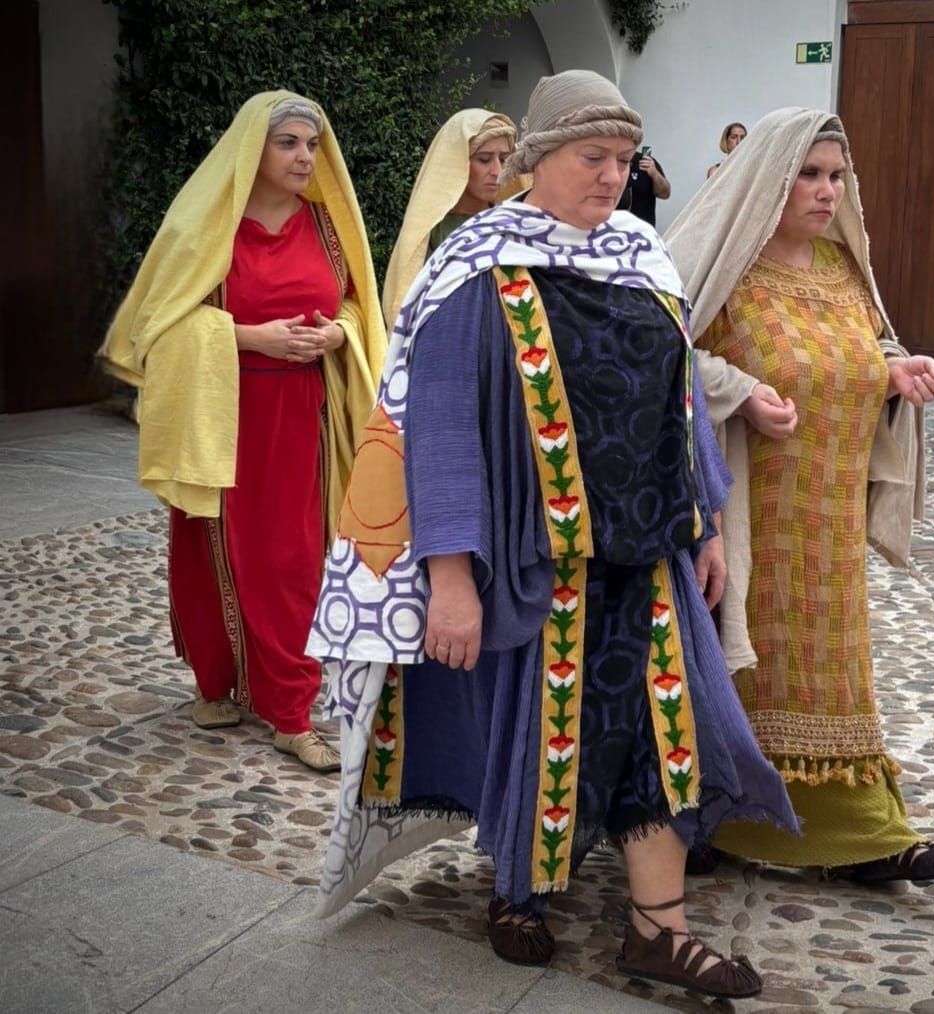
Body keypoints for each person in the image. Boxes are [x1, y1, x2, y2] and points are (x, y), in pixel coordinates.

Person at [306, 70, 796, 1000]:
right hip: (535, 560)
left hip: (647, 551)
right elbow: (440, 424)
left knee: (661, 733)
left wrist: (705, 520)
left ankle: (661, 929)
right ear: (536, 161)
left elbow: (680, 399)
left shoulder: (646, 259)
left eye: (622, 160)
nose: (612, 178)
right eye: (590, 158)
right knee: (540, 731)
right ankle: (517, 887)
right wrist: (449, 574)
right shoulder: (475, 265)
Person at [665, 108, 934, 884]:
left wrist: (895, 370)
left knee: (832, 675)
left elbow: (868, 350)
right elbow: (660, 352)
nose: (826, 190)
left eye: (836, 175)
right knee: (739, 666)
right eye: (809, 173)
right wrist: (738, 390)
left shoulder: (843, 273)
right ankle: (708, 818)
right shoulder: (725, 269)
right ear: (770, 177)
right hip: (746, 520)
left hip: (828, 527)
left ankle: (861, 831)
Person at [99, 92, 387, 773]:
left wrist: (337, 332)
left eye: (311, 146)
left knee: (290, 560)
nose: (303, 157)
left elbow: (357, 302)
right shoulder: (207, 229)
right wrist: (248, 336)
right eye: (287, 143)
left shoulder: (327, 225)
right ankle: (216, 682)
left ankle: (290, 712)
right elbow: (162, 325)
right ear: (251, 150)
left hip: (303, 416)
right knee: (211, 549)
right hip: (221, 414)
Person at [381, 110, 517, 325]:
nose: (497, 170)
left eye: (504, 159)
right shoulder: (428, 232)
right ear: (458, 164)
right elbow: (410, 304)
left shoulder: (513, 222)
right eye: (484, 159)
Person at [618, 145, 670, 226]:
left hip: (643, 230)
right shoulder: (608, 164)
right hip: (616, 230)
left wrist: (655, 174)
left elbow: (665, 194)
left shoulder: (644, 162)